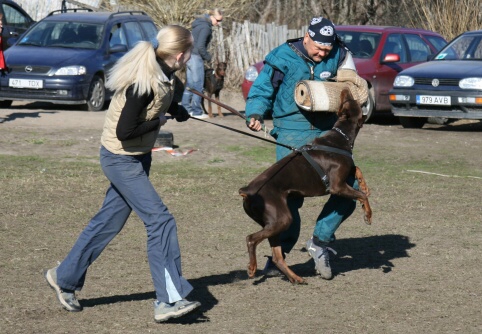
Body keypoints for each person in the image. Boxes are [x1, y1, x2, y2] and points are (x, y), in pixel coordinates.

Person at [44, 25, 201, 323]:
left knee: (109, 221)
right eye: (190, 51)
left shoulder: (163, 72)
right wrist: (161, 121)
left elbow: (156, 104)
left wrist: (176, 109)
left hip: (136, 157)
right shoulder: (143, 82)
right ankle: (169, 300)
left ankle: (63, 277)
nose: (191, 57)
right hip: (121, 159)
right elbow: (125, 130)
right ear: (180, 55)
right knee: (160, 220)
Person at [245, 17, 360, 280]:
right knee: (288, 201)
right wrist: (255, 112)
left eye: (327, 51)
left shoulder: (341, 55)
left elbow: (354, 86)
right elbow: (262, 89)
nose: (322, 55)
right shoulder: (282, 57)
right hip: (291, 133)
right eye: (318, 48)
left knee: (348, 191)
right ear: (306, 36)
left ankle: (320, 241)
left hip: (327, 135)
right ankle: (279, 257)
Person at [181, 8, 223, 119]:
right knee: (198, 85)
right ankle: (196, 112)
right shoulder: (206, 28)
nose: (218, 24)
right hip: (196, 57)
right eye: (218, 20)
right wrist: (208, 57)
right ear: (211, 17)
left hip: (189, 56)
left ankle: (186, 109)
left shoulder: (199, 24)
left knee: (190, 85)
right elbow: (200, 47)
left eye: (220, 21)